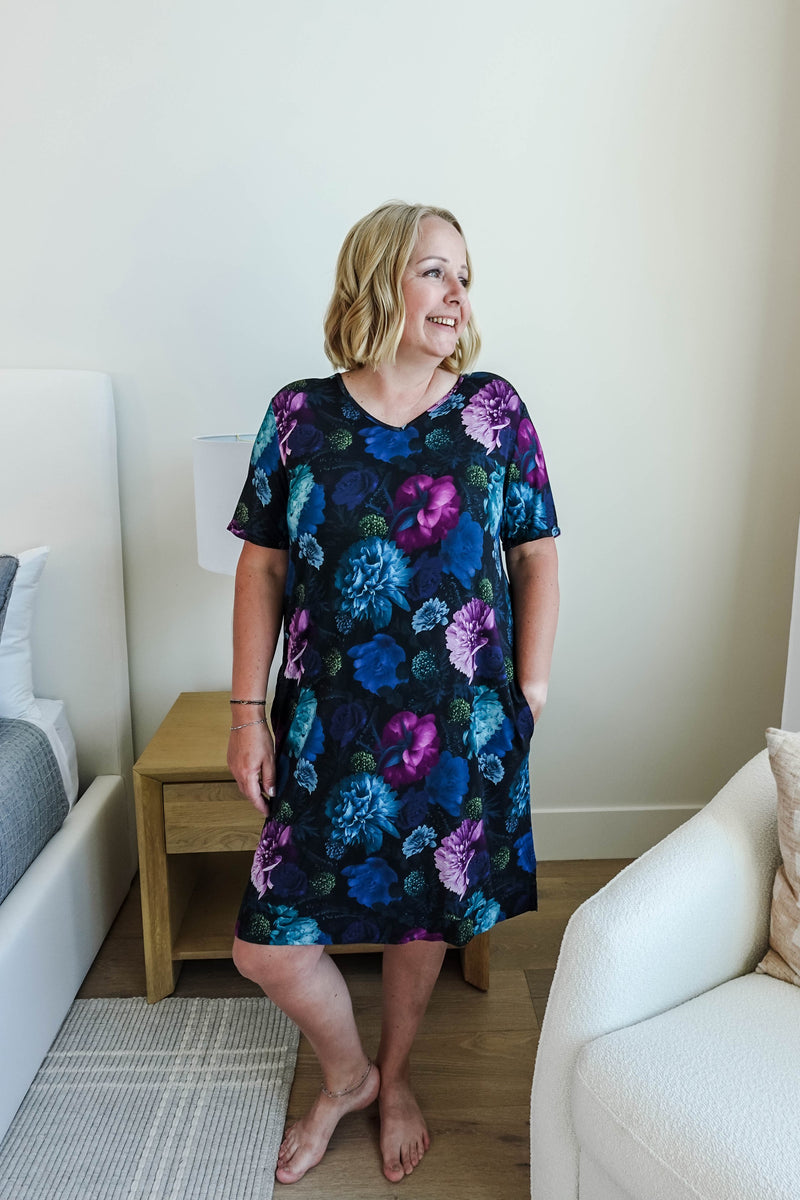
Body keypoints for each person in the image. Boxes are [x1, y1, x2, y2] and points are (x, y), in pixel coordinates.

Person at [226, 201, 560, 1185]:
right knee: (267, 945)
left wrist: (530, 686)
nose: (456, 294)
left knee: (425, 908)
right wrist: (247, 713)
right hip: (329, 718)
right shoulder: (298, 415)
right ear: (379, 281)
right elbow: (261, 572)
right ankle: (347, 1076)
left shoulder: (493, 409)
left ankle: (399, 1072)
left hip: (459, 722)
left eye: (463, 275)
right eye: (432, 273)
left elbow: (535, 553)